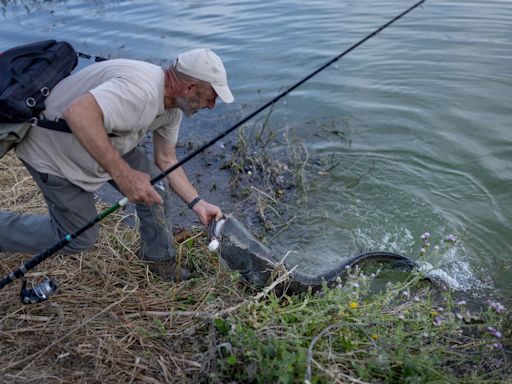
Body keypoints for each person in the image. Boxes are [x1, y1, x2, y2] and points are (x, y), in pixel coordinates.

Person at [0, 48, 234, 281]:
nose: (212, 105)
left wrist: (197, 203)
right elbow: (79, 114)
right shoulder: (139, 91)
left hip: (106, 140)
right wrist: (124, 175)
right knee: (77, 236)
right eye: (211, 97)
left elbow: (166, 159)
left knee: (156, 185)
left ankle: (158, 260)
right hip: (53, 151)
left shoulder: (172, 108)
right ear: (190, 88)